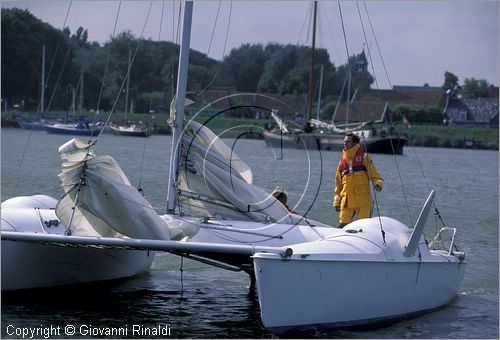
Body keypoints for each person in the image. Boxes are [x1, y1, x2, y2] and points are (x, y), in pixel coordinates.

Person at [333, 132, 383, 228]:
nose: (345, 144)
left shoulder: (365, 158)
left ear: (355, 143)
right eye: (344, 142)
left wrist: (378, 184)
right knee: (342, 227)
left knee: (364, 228)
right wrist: (336, 202)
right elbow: (338, 185)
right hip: (346, 202)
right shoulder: (342, 163)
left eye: (348, 142)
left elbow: (375, 175)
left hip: (363, 201)